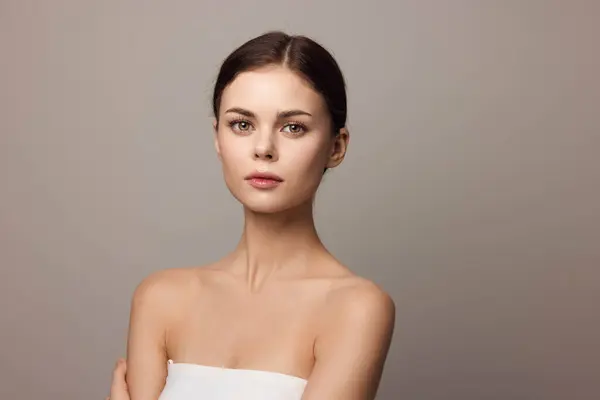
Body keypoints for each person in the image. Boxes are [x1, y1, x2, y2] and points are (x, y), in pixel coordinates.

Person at [109, 30, 395, 400]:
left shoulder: (355, 308)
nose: (263, 148)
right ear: (218, 138)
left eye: (293, 127)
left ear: (335, 147)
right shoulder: (161, 298)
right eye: (242, 124)